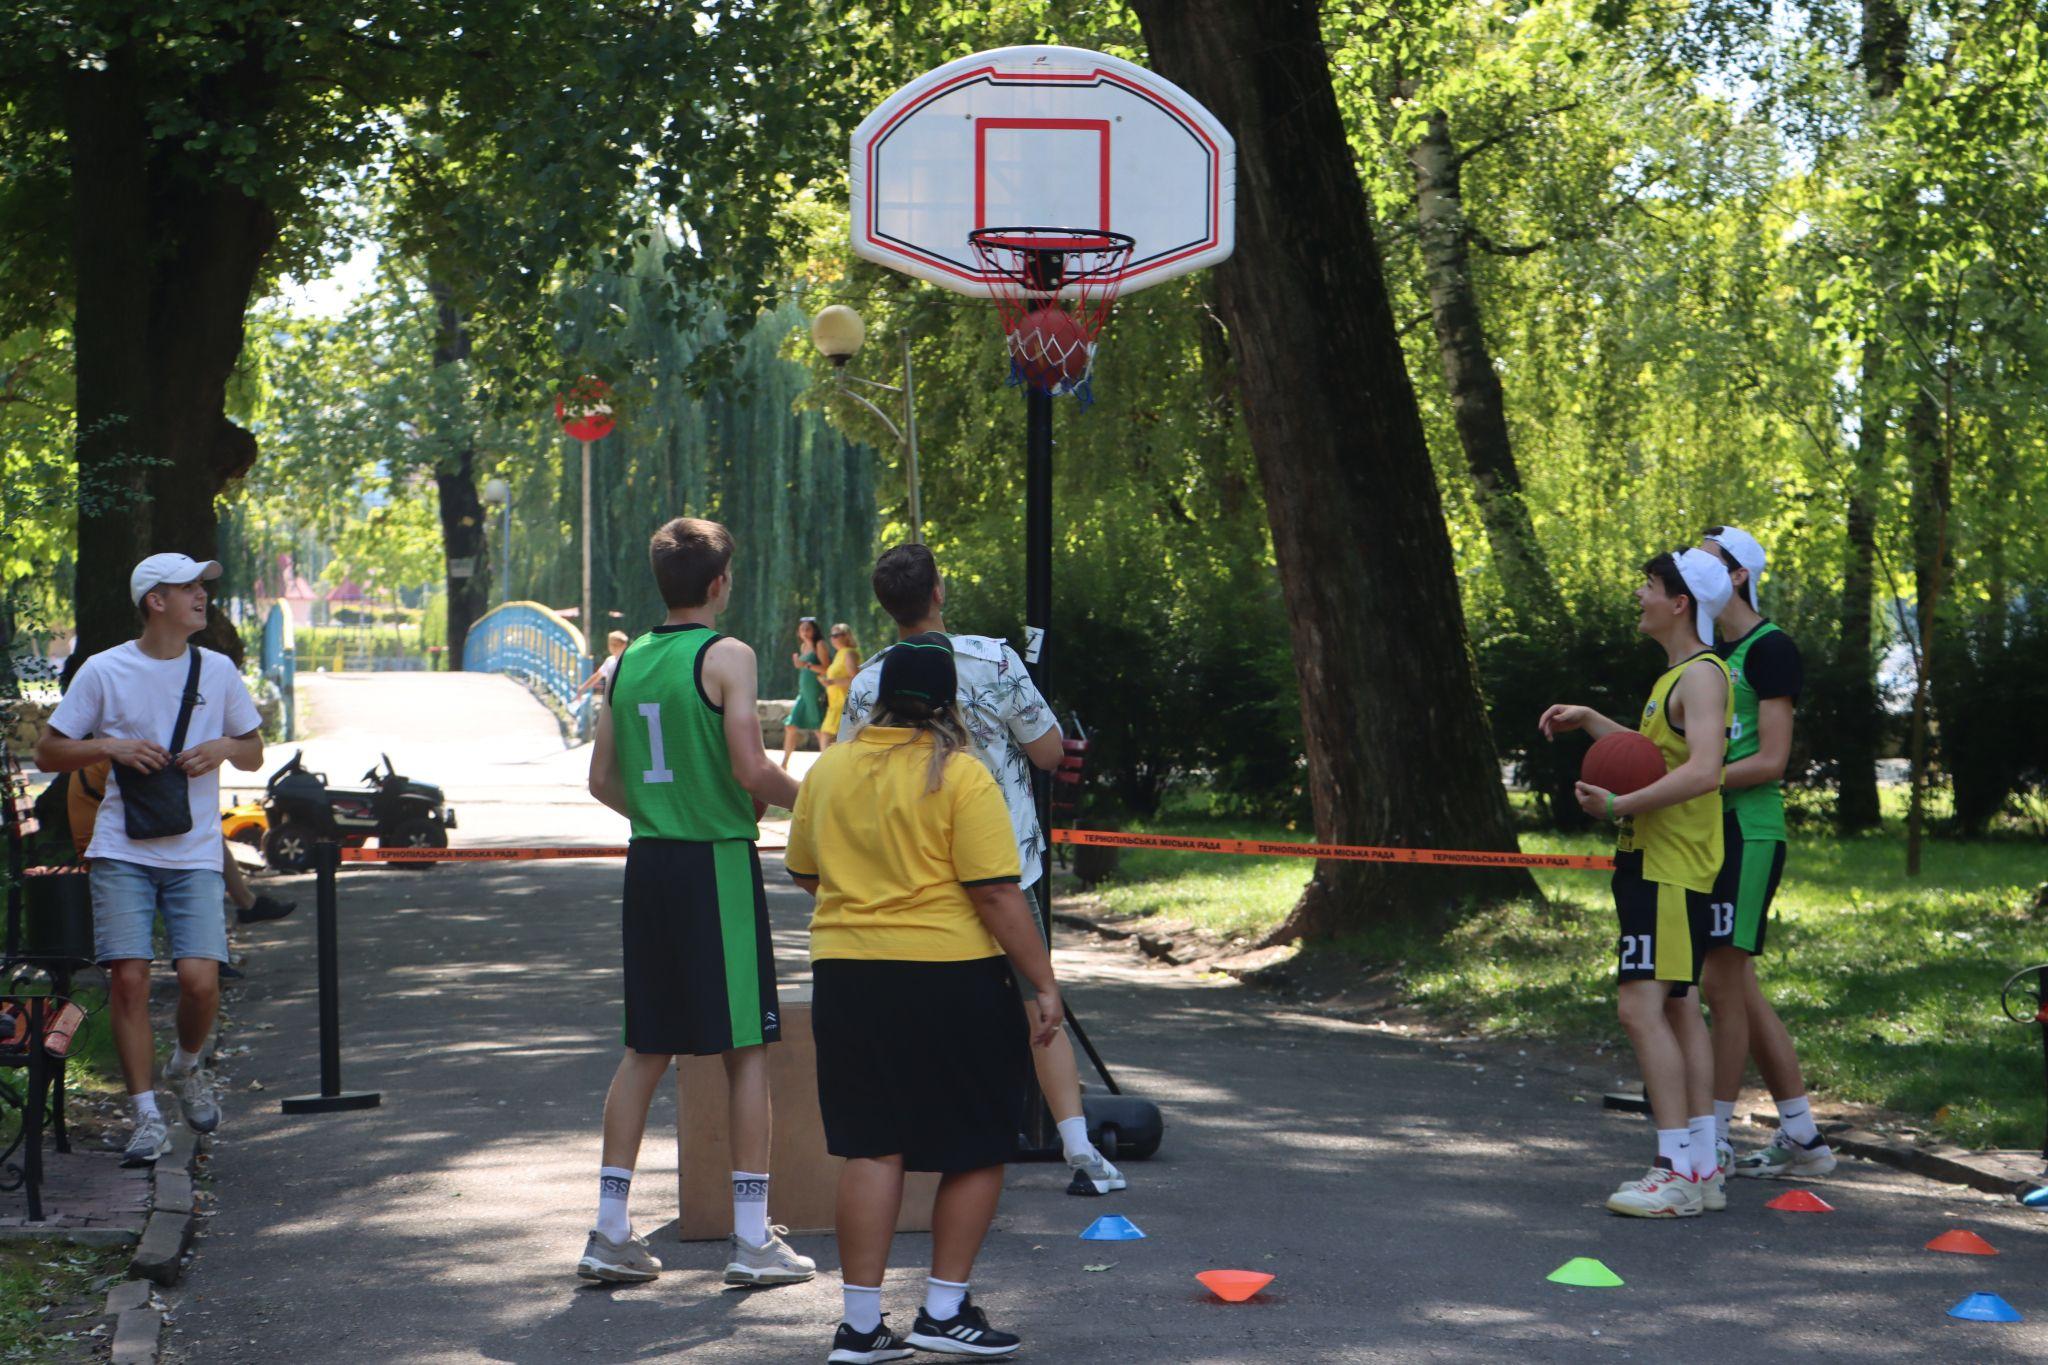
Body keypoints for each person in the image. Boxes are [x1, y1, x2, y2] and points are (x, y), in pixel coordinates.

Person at [788, 633, 1062, 1363]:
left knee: (872, 1147)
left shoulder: (830, 769)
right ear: (947, 703)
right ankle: (942, 1310)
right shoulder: (962, 775)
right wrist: (1042, 983)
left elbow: (806, 871)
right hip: (951, 976)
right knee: (977, 1144)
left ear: (873, 700)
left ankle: (859, 1327)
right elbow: (998, 896)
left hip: (848, 975)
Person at [839, 544, 1125, 1197]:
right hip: (1004, 866)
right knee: (1038, 1003)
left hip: (914, 871)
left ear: (887, 606)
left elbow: (855, 769)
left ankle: (913, 1142)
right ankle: (1076, 1143)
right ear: (938, 590)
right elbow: (1050, 750)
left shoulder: (867, 680)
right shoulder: (996, 659)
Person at [579, 517, 812, 1288]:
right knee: (745, 1048)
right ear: (719, 584)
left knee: (647, 1047)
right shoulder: (729, 654)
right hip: (715, 862)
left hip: (650, 863)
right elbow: (752, 767)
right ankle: (751, 1236)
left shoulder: (628, 660)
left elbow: (602, 781)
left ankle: (611, 1229)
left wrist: (661, 812)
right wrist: (817, 802)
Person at [34, 554, 265, 1165]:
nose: (201, 597)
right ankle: (145, 1118)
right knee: (129, 980)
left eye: (202, 587)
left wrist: (222, 746)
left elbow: (255, 751)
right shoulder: (104, 671)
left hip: (193, 853)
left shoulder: (216, 671)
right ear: (154, 601)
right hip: (121, 849)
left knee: (200, 981)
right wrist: (108, 745)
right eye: (187, 588)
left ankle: (187, 1067)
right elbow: (48, 753)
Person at [1540, 548, 1733, 1218]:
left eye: (1649, 586)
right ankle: (1702, 1167)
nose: (1640, 595)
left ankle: (1675, 1167)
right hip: (1658, 864)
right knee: (1679, 1007)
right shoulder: (1676, 676)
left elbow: (1705, 769)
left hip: (1670, 867)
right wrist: (1595, 720)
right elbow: (1662, 754)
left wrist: (1620, 805)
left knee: (1639, 1007)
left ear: (1680, 602)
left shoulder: (1702, 676)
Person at [1697, 526, 1834, 1179]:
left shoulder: (1770, 647)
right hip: (1705, 832)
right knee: (1736, 984)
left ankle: (1714, 1138)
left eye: (1707, 558)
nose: (1692, 565)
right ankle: (1804, 1136)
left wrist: (1696, 780)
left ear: (1739, 575)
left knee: (1721, 981)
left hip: (1749, 833)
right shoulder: (1704, 650)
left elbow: (1772, 758)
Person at [780, 617, 830, 769]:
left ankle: (827, 765)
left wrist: (806, 665)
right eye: (802, 629)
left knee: (818, 729)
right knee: (791, 725)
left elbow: (826, 669)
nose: (805, 632)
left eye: (808, 628)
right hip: (804, 693)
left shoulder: (819, 645)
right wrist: (800, 665)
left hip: (815, 692)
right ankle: (784, 764)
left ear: (814, 630)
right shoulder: (803, 647)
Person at [818, 623, 861, 751]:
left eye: (836, 635)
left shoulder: (849, 653)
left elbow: (855, 678)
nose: (832, 638)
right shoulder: (840, 654)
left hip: (844, 704)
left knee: (827, 737)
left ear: (846, 636)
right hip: (835, 703)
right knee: (831, 739)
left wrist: (832, 682)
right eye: (831, 635)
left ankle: (827, 768)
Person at [575, 630, 630, 708]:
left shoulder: (629, 661)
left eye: (616, 645)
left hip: (624, 699)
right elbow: (597, 676)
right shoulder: (610, 660)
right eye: (610, 644)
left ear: (624, 645)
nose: (612, 647)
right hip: (610, 700)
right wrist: (582, 688)